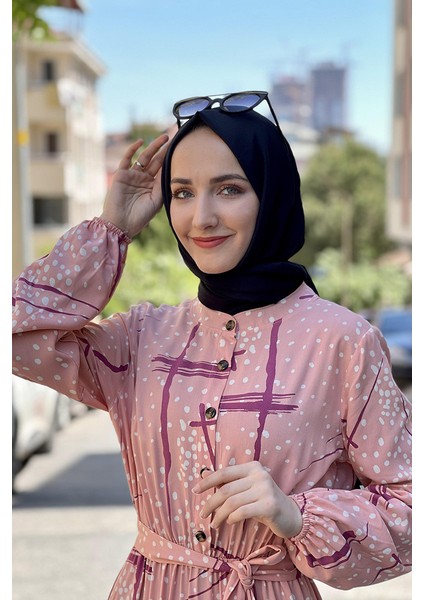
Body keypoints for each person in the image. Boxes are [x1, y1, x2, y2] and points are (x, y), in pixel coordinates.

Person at [12, 91, 412, 600]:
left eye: (228, 189)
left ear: (272, 194)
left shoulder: (344, 342)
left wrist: (296, 515)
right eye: (182, 192)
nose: (200, 217)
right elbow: (18, 332)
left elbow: (408, 507)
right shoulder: (141, 337)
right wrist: (112, 230)